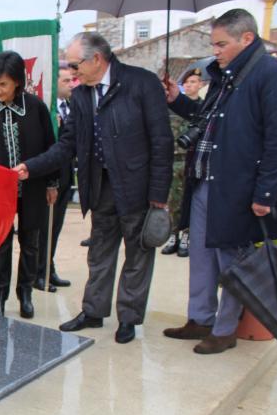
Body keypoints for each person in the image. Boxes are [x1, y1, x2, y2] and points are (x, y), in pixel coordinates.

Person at [16, 32, 173, 344]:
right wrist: (31, 167)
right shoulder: (82, 95)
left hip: (137, 186)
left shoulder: (141, 84)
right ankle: (93, 311)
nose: (73, 72)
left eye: (76, 65)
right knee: (99, 253)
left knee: (138, 254)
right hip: (100, 186)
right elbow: (68, 144)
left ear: (97, 59)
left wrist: (158, 193)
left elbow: (161, 141)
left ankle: (128, 318)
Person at [162, 9, 277, 354]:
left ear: (247, 38)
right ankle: (200, 318)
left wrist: (265, 193)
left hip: (238, 187)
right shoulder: (225, 77)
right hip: (206, 180)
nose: (214, 51)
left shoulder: (273, 75)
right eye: (213, 44)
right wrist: (177, 100)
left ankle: (225, 329)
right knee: (202, 256)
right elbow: (208, 120)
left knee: (232, 261)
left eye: (221, 44)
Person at [0, 51, 59, 320]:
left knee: (30, 241)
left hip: (32, 187)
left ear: (18, 82)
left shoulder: (36, 108)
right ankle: (0, 294)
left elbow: (51, 148)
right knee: (1, 243)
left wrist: (52, 183)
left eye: (3, 84)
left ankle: (26, 293)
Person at [36, 64, 76, 292]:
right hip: (49, 177)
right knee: (44, 226)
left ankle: (49, 268)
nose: (71, 85)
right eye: (66, 81)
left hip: (66, 175)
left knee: (56, 226)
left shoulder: (70, 108)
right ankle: (39, 272)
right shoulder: (47, 111)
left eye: (72, 80)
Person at [162, 67, 205, 257]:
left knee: (190, 199)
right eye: (186, 82)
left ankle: (187, 235)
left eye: (193, 82)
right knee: (173, 200)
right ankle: (173, 234)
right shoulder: (173, 107)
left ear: (201, 85)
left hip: (193, 160)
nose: (189, 85)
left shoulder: (203, 108)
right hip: (174, 159)